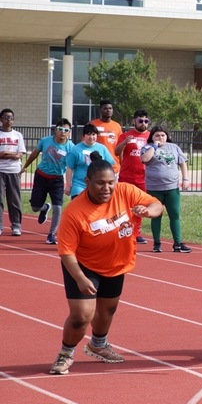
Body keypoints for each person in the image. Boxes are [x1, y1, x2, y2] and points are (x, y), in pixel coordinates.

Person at [49, 155, 163, 374]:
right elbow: (66, 252)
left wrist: (149, 212)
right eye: (100, 183)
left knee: (107, 310)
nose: (107, 188)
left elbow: (156, 204)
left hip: (115, 263)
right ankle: (65, 353)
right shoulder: (74, 212)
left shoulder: (125, 192)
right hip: (83, 266)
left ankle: (98, 345)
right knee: (82, 316)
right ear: (88, 182)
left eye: (110, 182)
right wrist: (80, 278)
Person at [20, 118, 75, 244]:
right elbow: (34, 154)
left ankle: (51, 234)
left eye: (66, 130)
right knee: (35, 207)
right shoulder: (45, 141)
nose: (62, 132)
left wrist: (71, 182)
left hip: (57, 180)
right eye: (60, 129)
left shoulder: (71, 147)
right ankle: (44, 208)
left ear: (69, 132)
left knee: (58, 207)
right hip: (41, 176)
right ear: (56, 130)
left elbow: (73, 165)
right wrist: (24, 167)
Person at [140, 125, 192, 253]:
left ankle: (178, 243)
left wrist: (186, 179)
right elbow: (145, 159)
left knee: (175, 215)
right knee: (156, 215)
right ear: (152, 137)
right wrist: (154, 146)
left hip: (171, 187)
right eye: (157, 135)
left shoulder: (174, 147)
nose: (160, 137)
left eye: (163, 135)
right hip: (154, 188)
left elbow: (182, 163)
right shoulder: (147, 148)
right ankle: (157, 244)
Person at [116, 109, 151, 244]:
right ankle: (123, 229)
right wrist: (125, 142)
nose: (143, 123)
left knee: (140, 205)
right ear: (134, 121)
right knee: (124, 205)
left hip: (143, 177)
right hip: (127, 175)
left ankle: (136, 232)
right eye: (140, 120)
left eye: (146, 121)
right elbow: (116, 151)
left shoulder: (150, 136)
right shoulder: (126, 135)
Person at [65, 123, 115, 199]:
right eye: (88, 134)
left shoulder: (102, 148)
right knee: (79, 207)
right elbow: (70, 168)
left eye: (93, 134)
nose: (91, 137)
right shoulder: (75, 149)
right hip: (79, 185)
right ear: (84, 136)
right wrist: (68, 185)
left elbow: (110, 165)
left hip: (97, 185)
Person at [0, 108, 27, 236]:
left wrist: (6, 153)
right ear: (1, 119)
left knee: (14, 199)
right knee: (0, 199)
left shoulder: (18, 135)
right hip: (0, 170)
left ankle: (16, 225)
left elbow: (20, 154)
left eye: (11, 118)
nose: (8, 120)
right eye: (6, 117)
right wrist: (10, 154)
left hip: (14, 170)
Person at [90, 100, 122, 174]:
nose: (108, 110)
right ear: (100, 110)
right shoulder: (92, 124)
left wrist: (121, 163)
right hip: (97, 165)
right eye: (105, 108)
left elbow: (120, 147)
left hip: (113, 166)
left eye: (110, 108)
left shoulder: (117, 126)